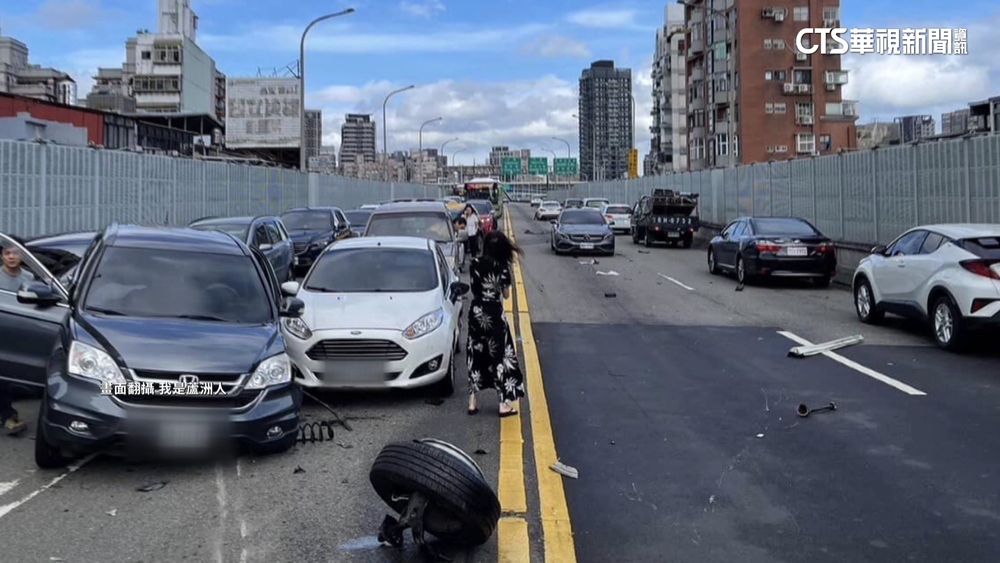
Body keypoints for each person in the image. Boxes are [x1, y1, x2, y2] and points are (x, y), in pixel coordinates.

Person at [466, 230, 525, 417]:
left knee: (475, 353)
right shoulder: (502, 267)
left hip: (476, 312)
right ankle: (502, 403)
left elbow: (474, 287)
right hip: (493, 312)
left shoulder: (474, 263)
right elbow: (506, 295)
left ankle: (472, 401)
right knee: (499, 355)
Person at [0, 239, 31, 435]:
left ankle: (6, 414)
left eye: (15, 253)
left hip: (19, 334)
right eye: (7, 253)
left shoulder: (29, 279)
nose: (11, 257)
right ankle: (8, 415)